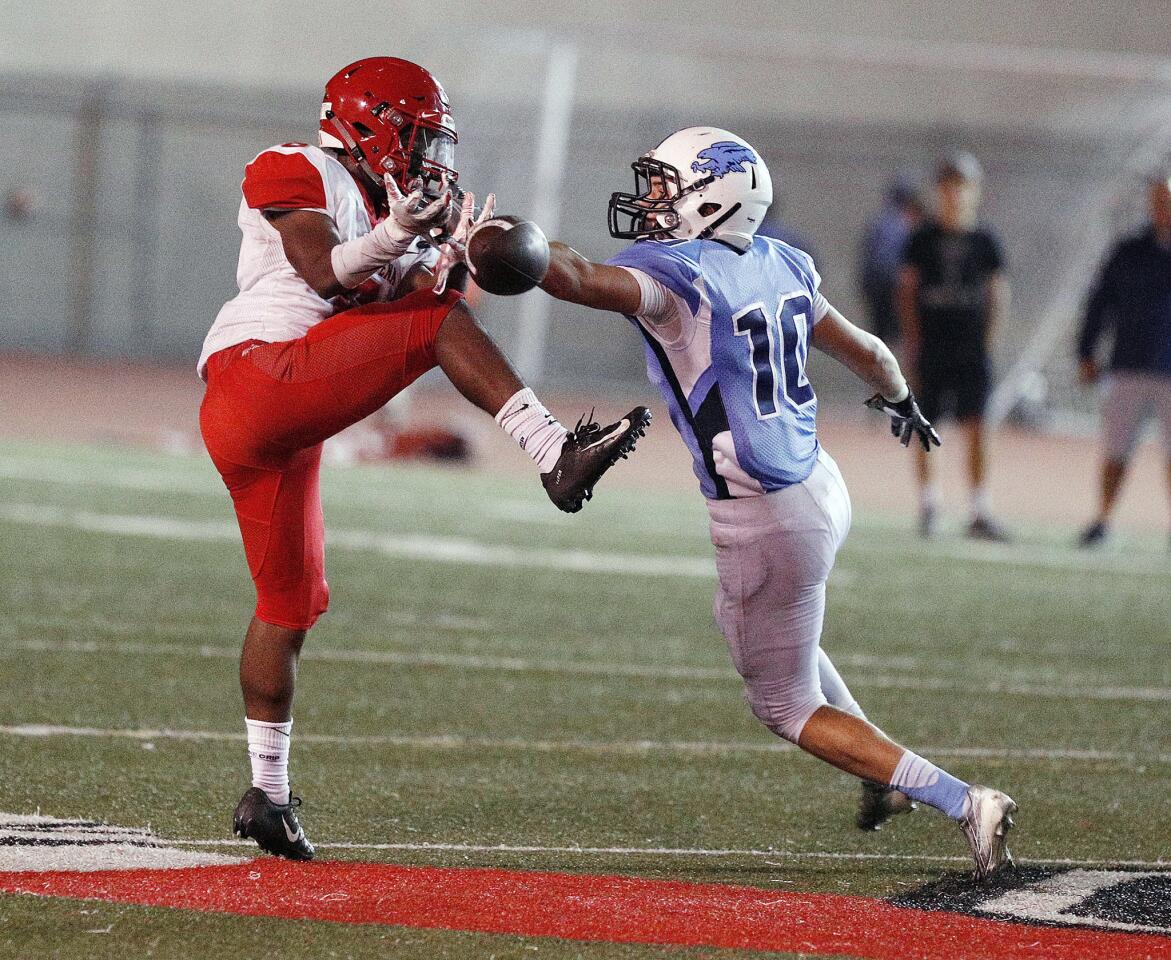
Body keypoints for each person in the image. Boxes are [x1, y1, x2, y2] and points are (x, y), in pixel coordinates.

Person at [451, 127, 1017, 881]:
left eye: (665, 188)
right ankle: (878, 775)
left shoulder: (679, 277)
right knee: (774, 633)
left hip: (765, 515)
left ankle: (961, 799)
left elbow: (576, 276)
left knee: (783, 705)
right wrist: (901, 398)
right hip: (820, 485)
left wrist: (488, 238)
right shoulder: (781, 261)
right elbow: (872, 353)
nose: (651, 203)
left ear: (712, 196)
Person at [198, 57, 650, 861]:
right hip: (256, 377)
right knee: (433, 321)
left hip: (285, 415)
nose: (425, 154)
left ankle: (265, 795)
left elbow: (388, 303)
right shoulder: (292, 165)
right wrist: (403, 242)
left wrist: (442, 255)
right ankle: (554, 453)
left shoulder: (396, 205)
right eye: (415, 135)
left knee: (290, 604)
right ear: (368, 123)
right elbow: (322, 271)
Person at [897, 152, 1011, 540]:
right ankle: (929, 504)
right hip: (933, 345)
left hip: (970, 347)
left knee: (979, 425)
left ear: (974, 191)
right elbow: (908, 291)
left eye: (961, 185)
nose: (954, 194)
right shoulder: (922, 239)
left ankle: (979, 506)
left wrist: (988, 339)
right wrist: (913, 341)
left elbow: (998, 292)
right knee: (927, 423)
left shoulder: (985, 240)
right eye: (948, 185)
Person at [1076, 174, 1171, 547]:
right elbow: (1100, 303)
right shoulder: (1129, 250)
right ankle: (1103, 518)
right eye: (1158, 200)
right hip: (1130, 363)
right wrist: (1087, 351)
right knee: (1116, 448)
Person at [859, 175, 923, 345]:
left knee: (881, 339)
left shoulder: (878, 223)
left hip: (876, 288)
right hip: (894, 287)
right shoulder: (906, 224)